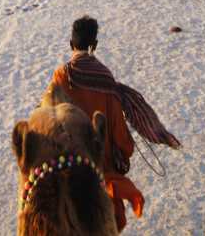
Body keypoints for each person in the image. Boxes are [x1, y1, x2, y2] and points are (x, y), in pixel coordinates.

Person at [49, 16, 181, 232]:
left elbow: (48, 119)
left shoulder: (61, 77)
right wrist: (123, 155)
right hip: (101, 170)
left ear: (71, 44)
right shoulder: (105, 79)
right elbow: (120, 134)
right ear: (95, 46)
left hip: (69, 170)